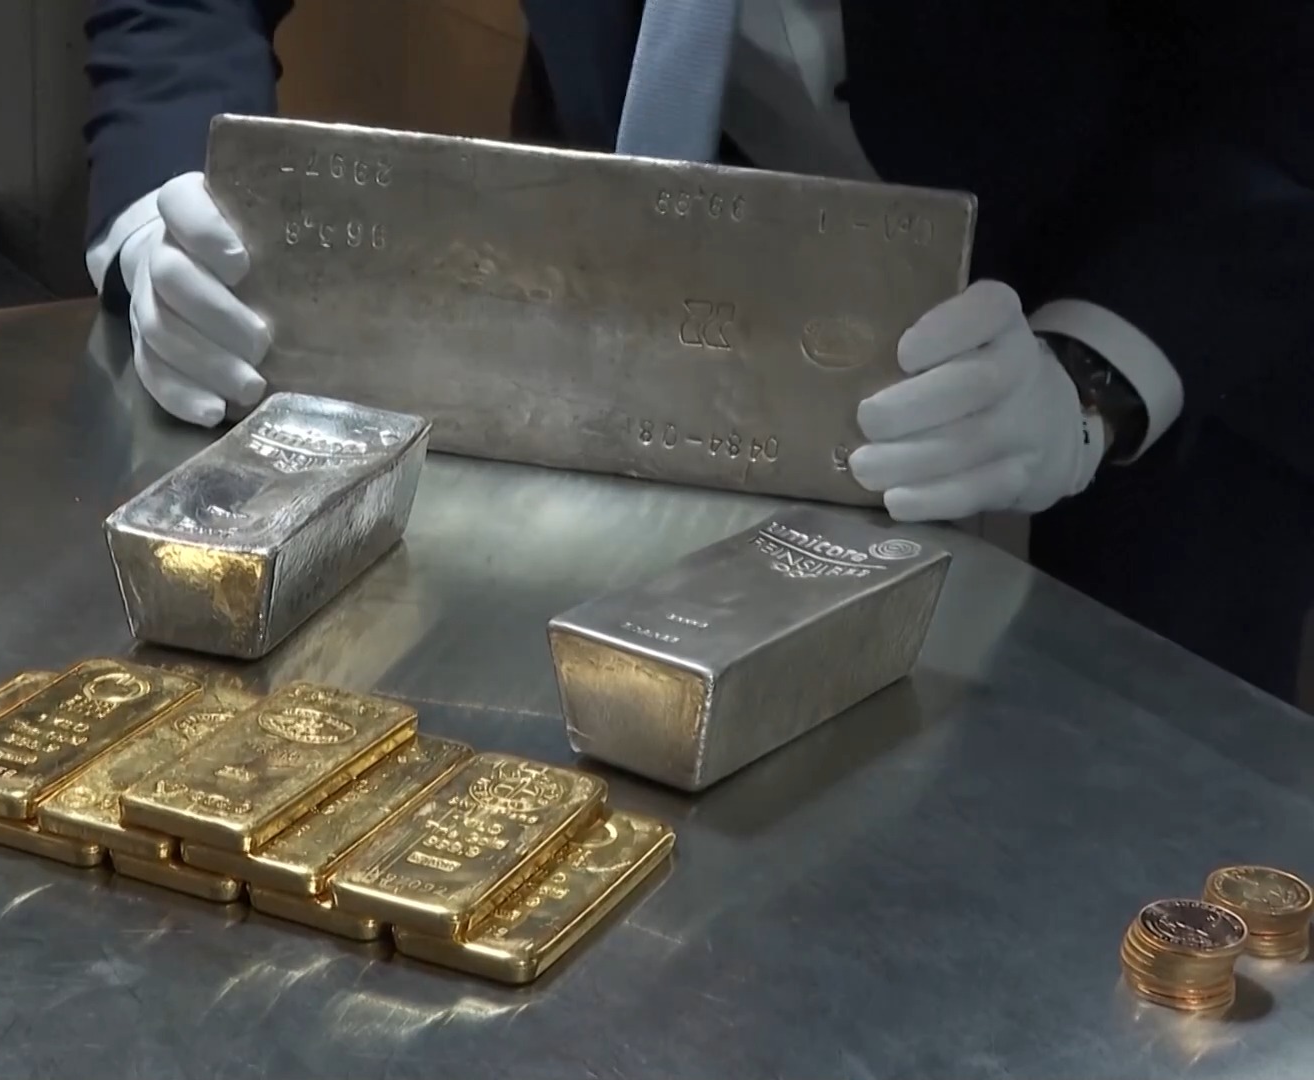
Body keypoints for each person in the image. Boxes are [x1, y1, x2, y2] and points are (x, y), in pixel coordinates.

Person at [80, 0, 1314, 706]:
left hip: (1158, 288)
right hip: (657, 277)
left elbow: (1278, 96)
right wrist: (160, 217)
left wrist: (1094, 378)